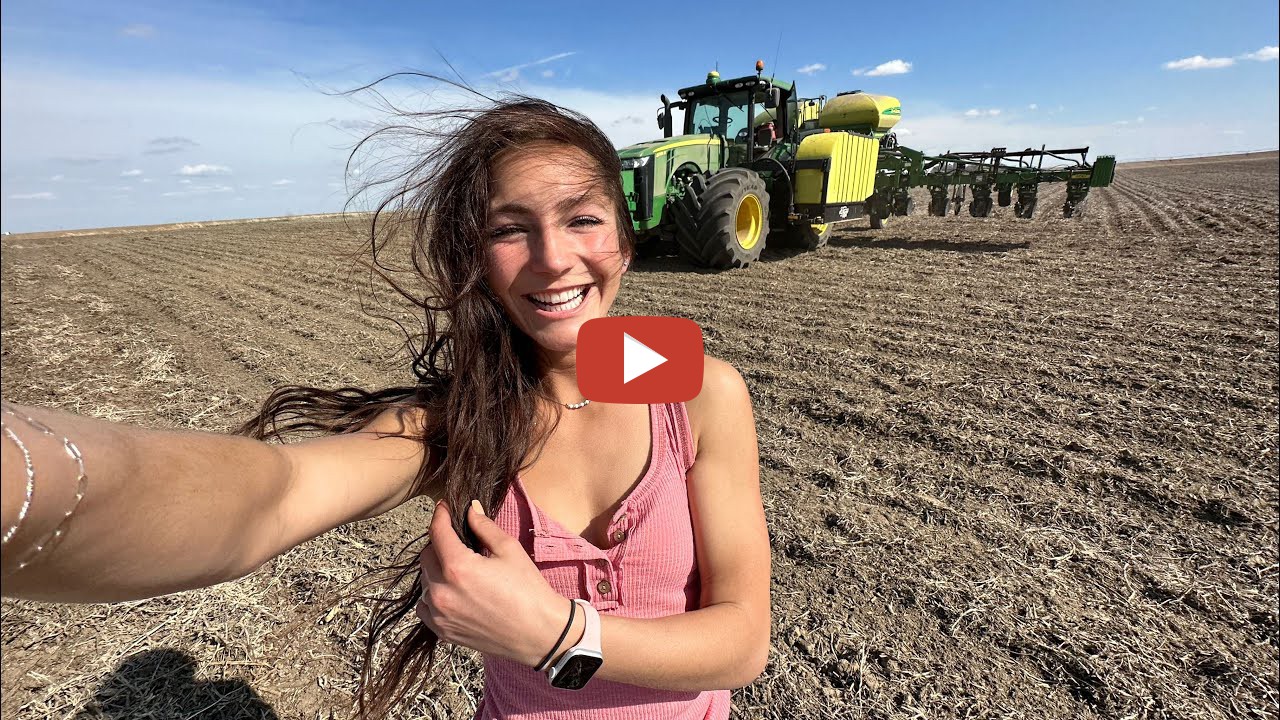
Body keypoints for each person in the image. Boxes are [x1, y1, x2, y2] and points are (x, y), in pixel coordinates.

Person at [0, 93, 770, 719]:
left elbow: (742, 643)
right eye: (510, 229)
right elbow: (274, 495)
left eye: (582, 218)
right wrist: (30, 482)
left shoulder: (699, 391)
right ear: (477, 260)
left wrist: (557, 634)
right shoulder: (454, 422)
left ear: (626, 240)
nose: (553, 257)